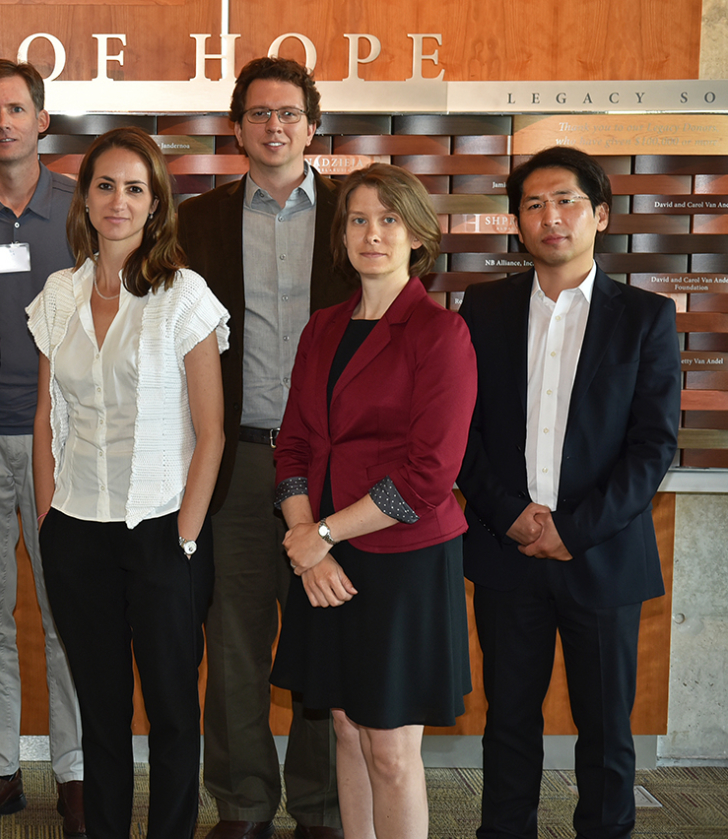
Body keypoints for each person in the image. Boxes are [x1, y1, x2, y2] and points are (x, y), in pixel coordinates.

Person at [458, 146, 680, 839]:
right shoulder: (483, 307)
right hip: (506, 552)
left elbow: (653, 447)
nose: (550, 216)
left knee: (609, 734)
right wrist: (512, 516)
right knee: (509, 726)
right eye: (533, 204)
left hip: (603, 556)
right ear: (516, 223)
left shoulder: (646, 317)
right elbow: (463, 432)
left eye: (567, 201)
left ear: (601, 215)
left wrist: (572, 528)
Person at [28, 126, 227, 839]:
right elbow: (47, 419)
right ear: (85, 198)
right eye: (105, 185)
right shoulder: (58, 295)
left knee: (174, 711)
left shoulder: (183, 296)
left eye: (135, 188)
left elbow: (212, 432)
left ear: (156, 204)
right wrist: (50, 520)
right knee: (103, 713)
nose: (118, 201)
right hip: (77, 532)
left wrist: (185, 537)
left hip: (162, 532)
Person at [270, 163, 476, 839]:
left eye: (389, 219)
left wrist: (319, 534)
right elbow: (294, 445)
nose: (372, 233)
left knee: (389, 747)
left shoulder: (440, 333)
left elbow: (427, 475)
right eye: (358, 218)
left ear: (418, 234)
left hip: (402, 561)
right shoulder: (323, 328)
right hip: (326, 554)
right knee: (344, 729)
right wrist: (306, 538)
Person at [175, 56, 352, 839]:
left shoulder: (360, 210)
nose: (274, 126)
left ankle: (320, 805)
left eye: (289, 113)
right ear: (236, 126)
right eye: (258, 113)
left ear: (312, 125)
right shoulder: (197, 220)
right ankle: (244, 802)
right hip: (240, 458)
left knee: (325, 638)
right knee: (236, 638)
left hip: (335, 464)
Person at [0, 59, 85, 836]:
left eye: (17, 109)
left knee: (68, 611)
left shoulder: (82, 205)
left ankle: (75, 768)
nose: (4, 122)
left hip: (65, 440)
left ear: (42, 120)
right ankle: (0, 766)